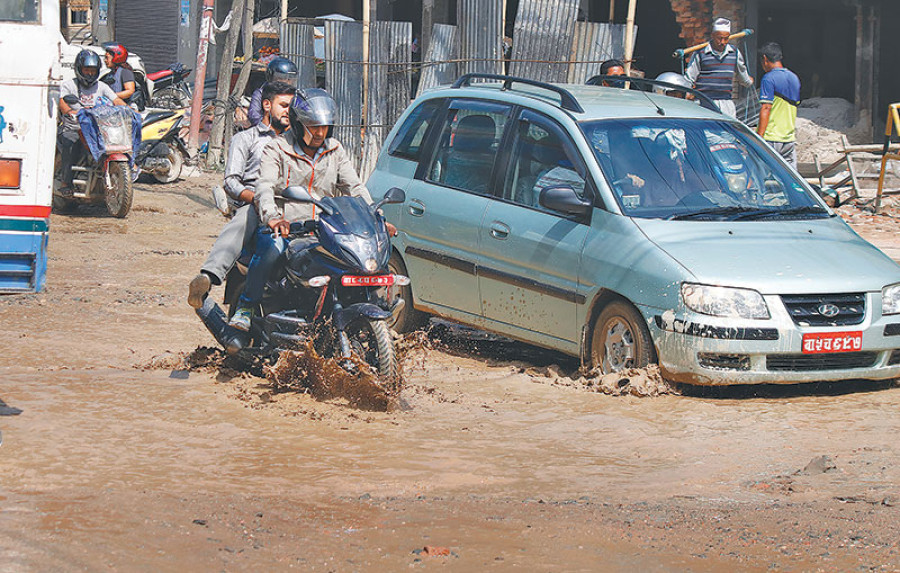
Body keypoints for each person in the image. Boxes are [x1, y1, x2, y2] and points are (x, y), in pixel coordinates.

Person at [228, 88, 396, 330]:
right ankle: (246, 306)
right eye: (313, 126)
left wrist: (376, 217)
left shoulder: (335, 150)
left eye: (324, 127)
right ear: (298, 124)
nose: (319, 133)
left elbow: (355, 187)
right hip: (286, 226)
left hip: (324, 228)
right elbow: (264, 186)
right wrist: (273, 218)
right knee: (271, 248)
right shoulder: (276, 148)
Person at [188, 81, 296, 309]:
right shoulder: (246, 139)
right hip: (254, 203)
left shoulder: (296, 141)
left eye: (292, 106)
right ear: (267, 105)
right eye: (284, 105)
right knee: (245, 218)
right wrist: (256, 198)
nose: (289, 111)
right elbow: (231, 182)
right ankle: (209, 276)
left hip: (292, 204)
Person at [57, 49, 126, 195]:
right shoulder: (69, 85)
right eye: (86, 69)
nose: (89, 73)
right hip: (74, 127)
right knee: (71, 144)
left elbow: (116, 99)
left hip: (98, 129)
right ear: (79, 69)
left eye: (92, 70)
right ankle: (65, 182)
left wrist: (128, 109)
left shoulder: (101, 86)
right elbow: (62, 101)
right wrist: (69, 112)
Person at [684, 17, 753, 118]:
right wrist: (687, 93)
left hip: (726, 103)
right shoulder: (701, 53)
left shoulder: (734, 53)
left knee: (727, 132)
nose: (723, 42)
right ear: (713, 36)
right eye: (719, 38)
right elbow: (689, 77)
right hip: (705, 102)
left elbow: (742, 75)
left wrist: (748, 81)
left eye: (726, 38)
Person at [757, 42, 801, 169]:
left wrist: (759, 137)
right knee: (790, 178)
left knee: (761, 174)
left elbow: (766, 107)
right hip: (788, 138)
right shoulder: (794, 78)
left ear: (765, 59)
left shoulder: (768, 78)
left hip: (771, 137)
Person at [247, 57, 298, 127]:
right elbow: (254, 116)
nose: (286, 82)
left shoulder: (296, 95)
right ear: (271, 77)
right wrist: (271, 128)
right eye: (281, 78)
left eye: (289, 79)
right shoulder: (261, 93)